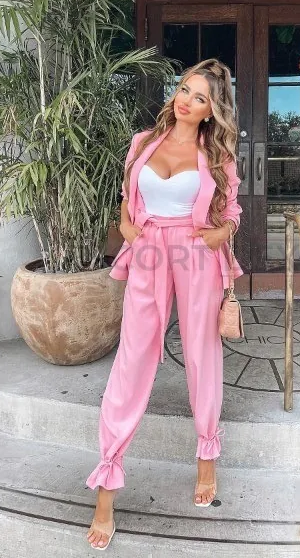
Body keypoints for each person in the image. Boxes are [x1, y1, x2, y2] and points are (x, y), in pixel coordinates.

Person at [86, 58, 244, 550]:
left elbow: (232, 208)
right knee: (132, 359)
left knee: (201, 355)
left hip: (196, 253)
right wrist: (127, 227)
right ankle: (107, 484)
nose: (186, 101)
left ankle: (206, 457)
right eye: (183, 90)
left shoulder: (216, 154)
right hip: (150, 251)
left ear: (212, 110)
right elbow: (126, 196)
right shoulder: (143, 142)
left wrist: (222, 232)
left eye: (200, 97)